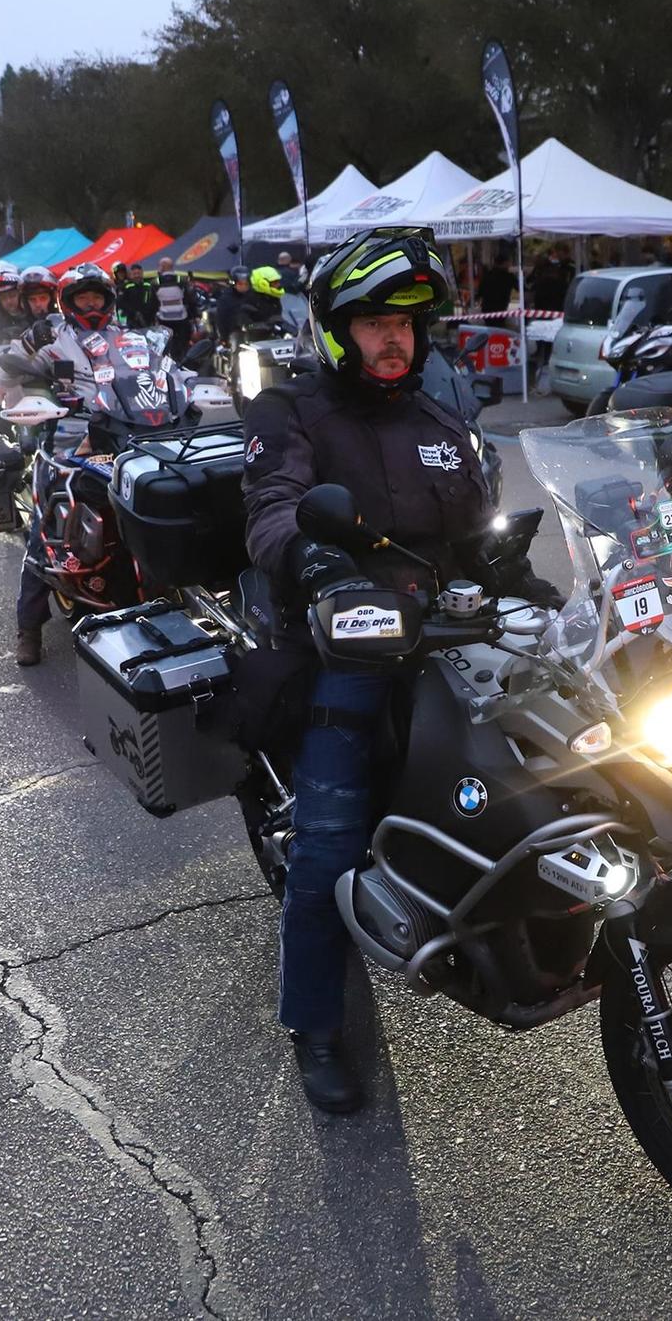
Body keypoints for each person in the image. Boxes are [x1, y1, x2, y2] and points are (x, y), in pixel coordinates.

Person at [240, 226, 559, 1113]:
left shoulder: (440, 424)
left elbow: (475, 531)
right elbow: (273, 510)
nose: (394, 338)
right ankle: (315, 1024)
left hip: (450, 633)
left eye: (407, 324)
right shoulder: (291, 413)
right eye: (375, 321)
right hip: (348, 639)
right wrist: (312, 562)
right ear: (337, 330)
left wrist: (516, 572)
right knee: (329, 837)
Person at [3, 267, 162, 666]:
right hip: (67, 444)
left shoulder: (126, 338)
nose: (91, 305)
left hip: (125, 436)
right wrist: (29, 370)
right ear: (67, 301)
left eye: (97, 298)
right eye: (82, 299)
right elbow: (5, 373)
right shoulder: (49, 336)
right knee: (44, 536)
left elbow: (157, 377)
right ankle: (29, 627)